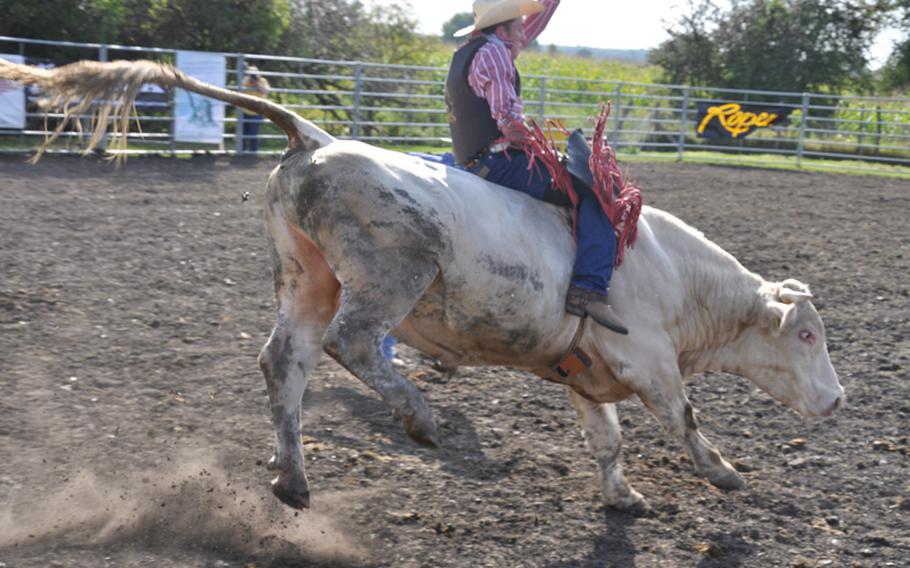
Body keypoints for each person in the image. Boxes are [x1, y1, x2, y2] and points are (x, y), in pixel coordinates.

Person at [445, 0, 628, 334]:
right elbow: (508, 121)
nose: (523, 37)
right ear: (501, 31)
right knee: (595, 191)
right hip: (499, 162)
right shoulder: (497, 53)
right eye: (517, 29)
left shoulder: (469, 52)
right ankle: (589, 287)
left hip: (471, 158)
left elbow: (530, 28)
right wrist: (538, 145)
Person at [240, 65, 270, 153]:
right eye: (251, 74)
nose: (252, 76)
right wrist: (249, 82)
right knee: (243, 134)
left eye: (254, 74)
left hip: (257, 112)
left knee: (253, 134)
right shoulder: (245, 80)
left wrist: (256, 82)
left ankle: (253, 153)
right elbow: (240, 91)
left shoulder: (262, 81)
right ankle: (242, 152)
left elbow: (265, 91)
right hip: (244, 111)